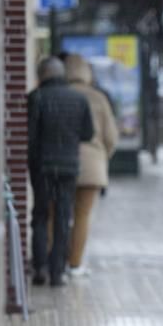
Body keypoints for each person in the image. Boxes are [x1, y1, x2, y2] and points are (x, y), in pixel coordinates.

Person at [27, 56, 94, 287]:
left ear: (41, 75)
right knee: (64, 218)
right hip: (68, 167)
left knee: (40, 215)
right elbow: (87, 134)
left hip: (42, 167)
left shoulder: (36, 98)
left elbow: (31, 137)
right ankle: (57, 273)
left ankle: (40, 269)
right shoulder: (79, 99)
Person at [64, 54, 119, 277]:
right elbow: (111, 137)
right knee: (83, 215)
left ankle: (54, 260)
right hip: (93, 165)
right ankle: (75, 264)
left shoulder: (62, 94)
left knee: (56, 213)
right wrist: (103, 156)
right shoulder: (98, 98)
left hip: (64, 161)